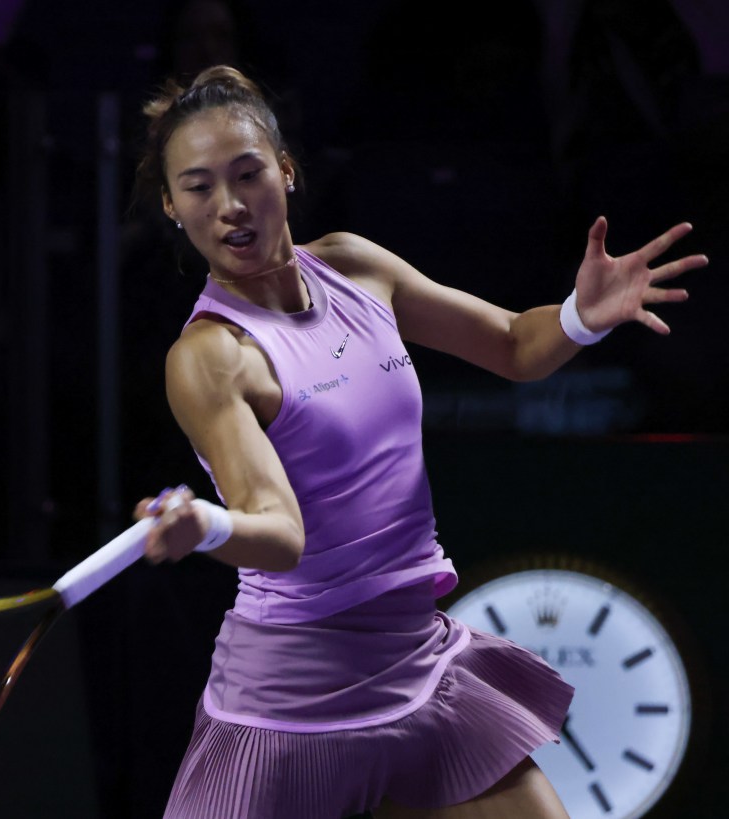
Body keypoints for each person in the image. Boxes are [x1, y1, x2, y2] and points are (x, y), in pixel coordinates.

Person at [130, 66, 708, 819]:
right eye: (200, 186)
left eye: (248, 174)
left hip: (415, 663)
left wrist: (580, 316)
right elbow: (278, 530)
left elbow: (510, 343)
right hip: (291, 697)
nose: (231, 205)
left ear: (287, 171)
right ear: (172, 206)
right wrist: (205, 525)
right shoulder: (211, 356)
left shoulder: (355, 267)